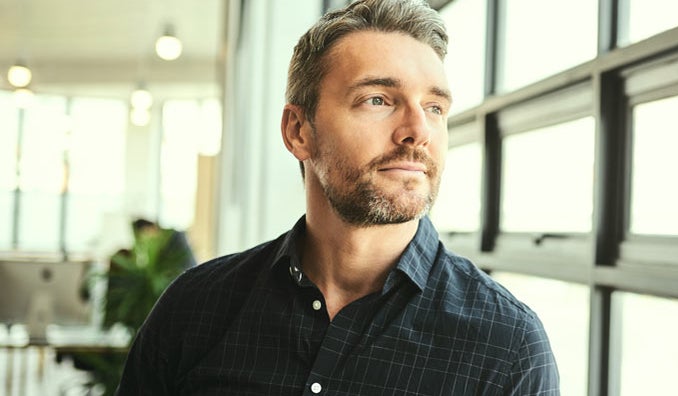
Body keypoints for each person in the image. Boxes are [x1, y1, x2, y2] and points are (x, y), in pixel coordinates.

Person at [115, 0, 560, 394]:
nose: (417, 131)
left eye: (434, 107)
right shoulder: (195, 309)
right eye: (378, 100)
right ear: (298, 131)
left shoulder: (507, 348)